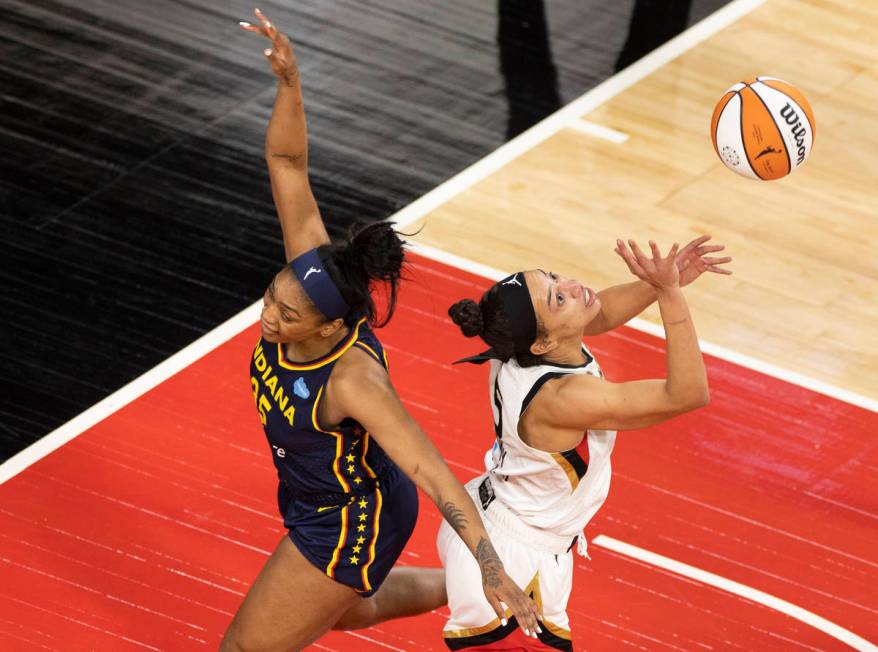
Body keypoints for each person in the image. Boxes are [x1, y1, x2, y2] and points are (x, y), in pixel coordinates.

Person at [223, 9, 540, 651]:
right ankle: (459, 588)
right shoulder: (314, 271)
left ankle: (490, 583)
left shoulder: (352, 380)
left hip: (347, 519)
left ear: (332, 324)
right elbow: (286, 161)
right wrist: (290, 81)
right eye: (271, 298)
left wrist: (490, 563)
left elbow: (430, 468)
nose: (269, 317)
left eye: (287, 315)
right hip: (330, 492)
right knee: (348, 612)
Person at [441, 237, 731, 650]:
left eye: (556, 279)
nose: (575, 286)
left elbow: (603, 311)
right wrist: (669, 295)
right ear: (542, 343)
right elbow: (686, 394)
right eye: (559, 298)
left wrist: (660, 281)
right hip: (514, 556)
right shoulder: (563, 398)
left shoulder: (529, 345)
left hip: (502, 522)